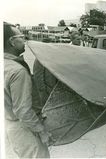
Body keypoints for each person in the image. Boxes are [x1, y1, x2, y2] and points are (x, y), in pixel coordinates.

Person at [4, 22, 52, 158]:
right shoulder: (17, 71)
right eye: (21, 36)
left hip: (9, 125)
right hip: (24, 129)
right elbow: (23, 111)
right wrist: (41, 131)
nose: (25, 40)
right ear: (12, 42)